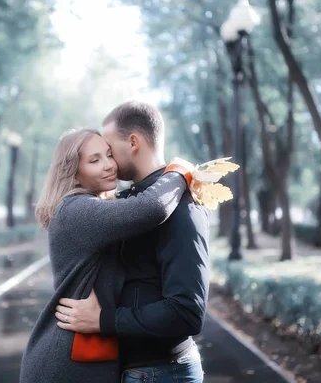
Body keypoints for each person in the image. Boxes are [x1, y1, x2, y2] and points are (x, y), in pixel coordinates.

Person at [19, 128, 194, 383]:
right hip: (65, 364)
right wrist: (180, 172)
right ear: (74, 174)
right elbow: (151, 207)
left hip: (84, 357)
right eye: (94, 160)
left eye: (109, 155)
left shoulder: (95, 208)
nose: (108, 166)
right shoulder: (77, 210)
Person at [56, 101, 211, 383]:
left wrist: (104, 320)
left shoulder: (182, 209)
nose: (109, 163)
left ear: (133, 142)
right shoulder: (131, 205)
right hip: (136, 369)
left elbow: (187, 313)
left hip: (163, 372)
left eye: (110, 151)